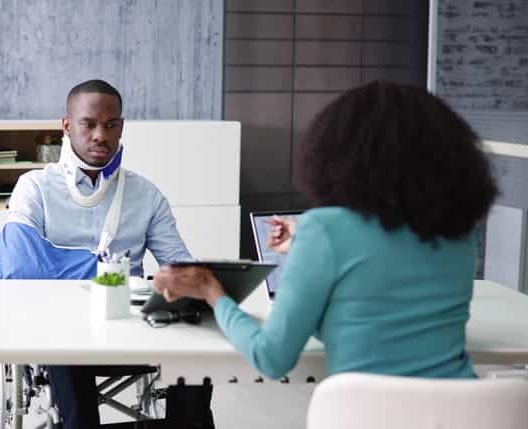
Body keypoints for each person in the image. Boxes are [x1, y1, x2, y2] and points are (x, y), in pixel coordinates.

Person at [154, 81, 498, 380]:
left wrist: (213, 292)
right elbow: (371, 311)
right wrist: (310, 248)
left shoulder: (326, 229)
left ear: (342, 154)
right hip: (461, 412)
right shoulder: (459, 231)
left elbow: (271, 357)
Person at [0, 79, 192, 428]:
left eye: (111, 125)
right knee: (66, 347)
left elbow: (179, 266)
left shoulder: (146, 195)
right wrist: (101, 273)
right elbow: (16, 263)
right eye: (89, 124)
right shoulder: (35, 187)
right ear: (66, 126)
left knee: (192, 350)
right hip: (62, 330)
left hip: (132, 324)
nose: (101, 135)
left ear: (121, 127)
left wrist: (197, 285)